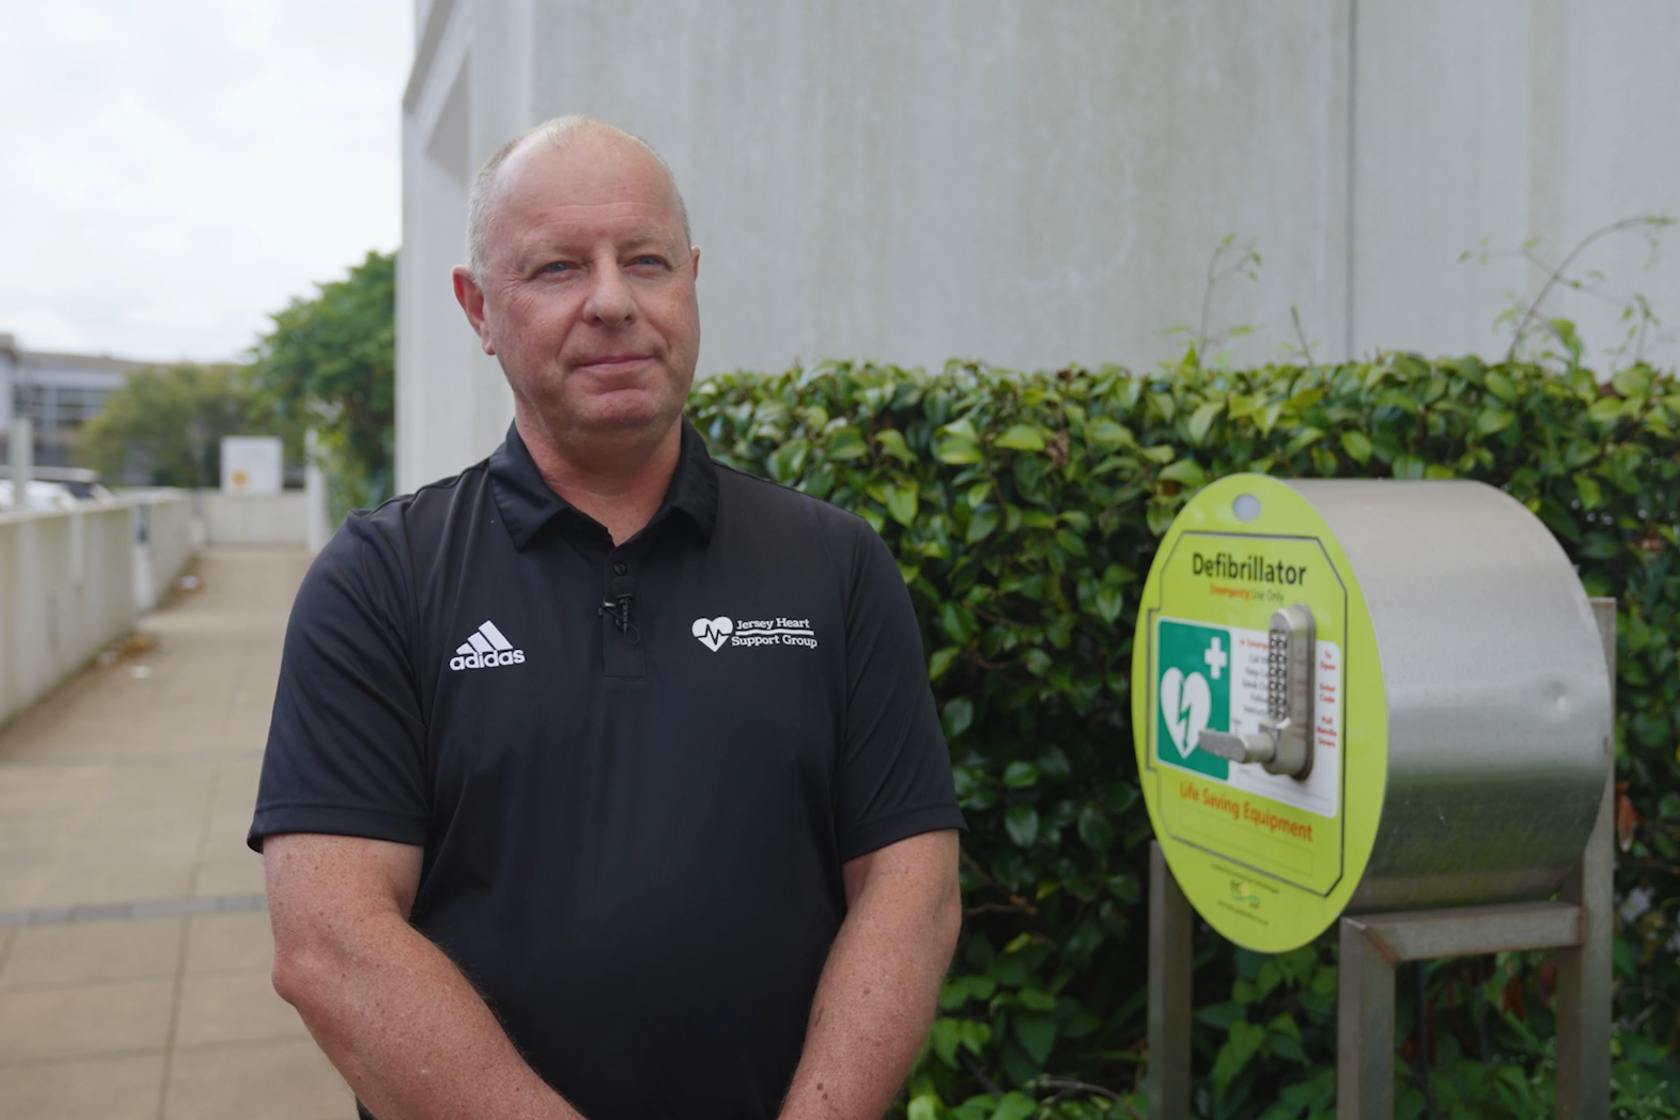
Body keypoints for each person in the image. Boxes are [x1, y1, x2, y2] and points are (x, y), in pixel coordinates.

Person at [249, 115, 966, 1120]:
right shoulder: (380, 582)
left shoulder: (835, 564)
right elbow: (331, 943)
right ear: (478, 307)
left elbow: (911, 885)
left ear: (691, 279)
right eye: (555, 268)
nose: (614, 302)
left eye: (646, 260)